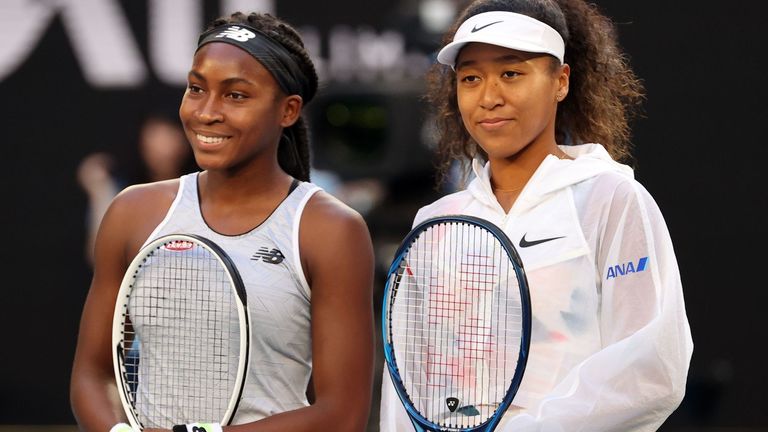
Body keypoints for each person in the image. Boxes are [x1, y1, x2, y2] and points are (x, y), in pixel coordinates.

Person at [379, 0, 693, 430]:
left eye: (511, 73)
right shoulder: (435, 222)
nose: (489, 97)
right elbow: (409, 381)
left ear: (560, 81)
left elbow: (653, 368)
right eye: (471, 78)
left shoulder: (611, 199)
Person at [70, 11, 375, 432]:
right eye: (196, 89)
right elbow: (90, 374)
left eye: (236, 95)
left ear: (287, 111)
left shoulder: (330, 230)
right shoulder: (132, 212)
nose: (207, 112)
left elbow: (343, 414)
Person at [77, 113, 193, 266]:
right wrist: (101, 192)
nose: (163, 147)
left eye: (169, 136)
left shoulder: (198, 192)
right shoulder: (124, 193)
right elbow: (98, 256)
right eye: (155, 136)